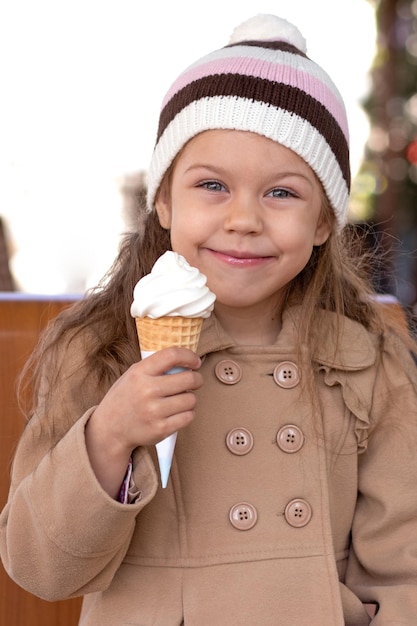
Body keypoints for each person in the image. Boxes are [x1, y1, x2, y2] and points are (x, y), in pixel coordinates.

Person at [1, 13, 417, 626]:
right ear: (164, 201)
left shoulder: (366, 363)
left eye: (282, 193)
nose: (244, 218)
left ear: (324, 221)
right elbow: (39, 568)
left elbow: (402, 566)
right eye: (213, 185)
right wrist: (110, 436)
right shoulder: (102, 349)